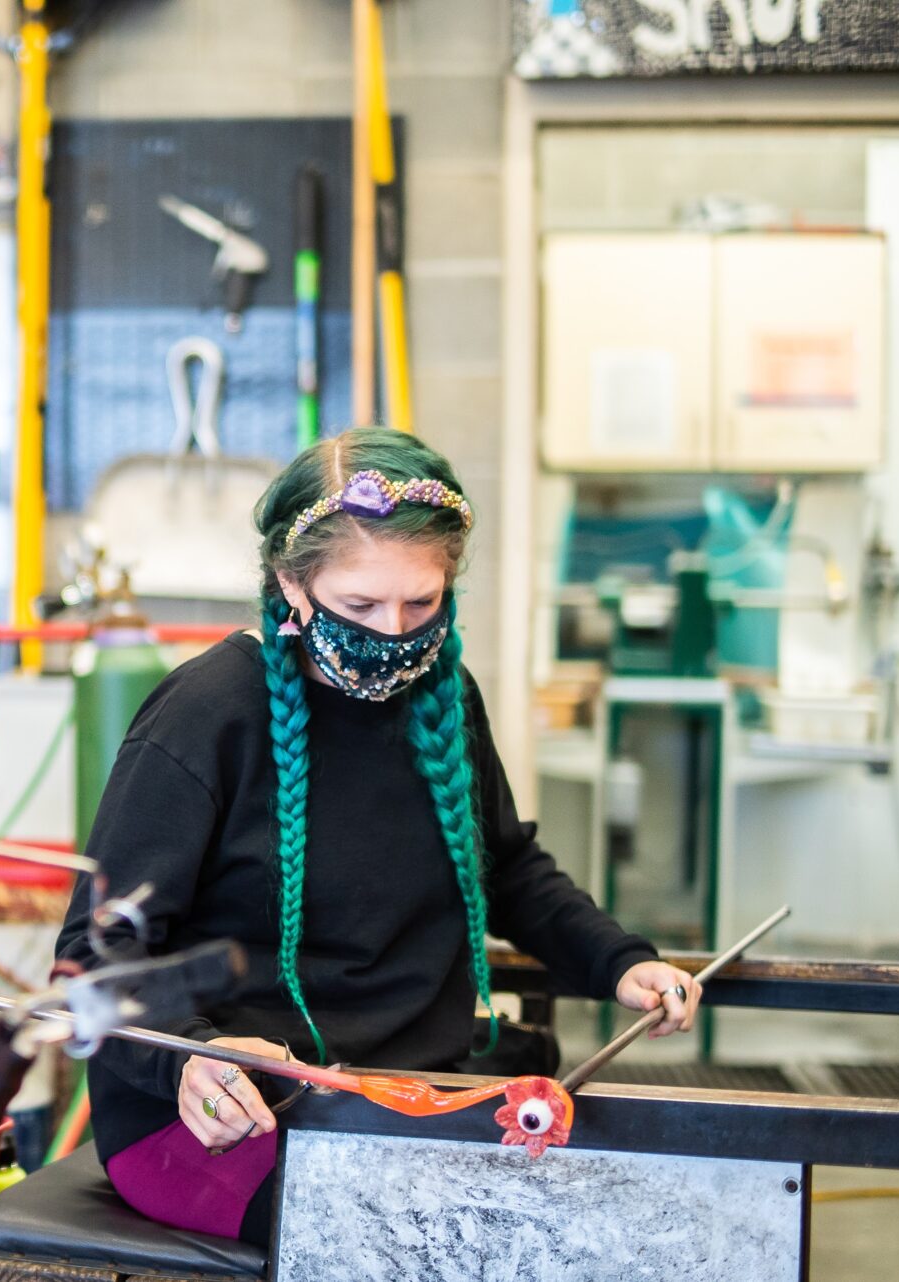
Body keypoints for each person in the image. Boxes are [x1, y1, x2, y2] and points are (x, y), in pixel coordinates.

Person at [53, 427, 702, 1246]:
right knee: (435, 1245)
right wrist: (190, 1057)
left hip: (405, 1095)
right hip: (219, 1119)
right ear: (292, 581)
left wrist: (622, 961)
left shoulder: (444, 695)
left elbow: (507, 868)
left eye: (422, 603)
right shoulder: (207, 716)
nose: (394, 632)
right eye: (359, 606)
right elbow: (93, 955)